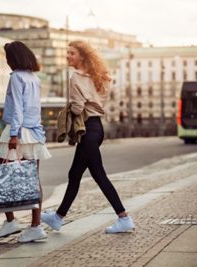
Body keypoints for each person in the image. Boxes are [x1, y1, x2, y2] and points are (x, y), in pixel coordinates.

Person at [41, 40, 135, 234]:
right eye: (67, 53)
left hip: (87, 129)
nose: (68, 56)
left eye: (72, 53)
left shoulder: (76, 77)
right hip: (96, 128)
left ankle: (124, 217)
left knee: (99, 175)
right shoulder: (100, 77)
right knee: (74, 174)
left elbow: (77, 107)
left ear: (82, 57)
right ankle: (58, 218)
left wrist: (67, 111)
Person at [0, 41, 52, 243]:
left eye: (9, 59)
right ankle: (35, 226)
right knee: (34, 179)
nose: (8, 63)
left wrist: (14, 135)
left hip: (18, 132)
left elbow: (18, 107)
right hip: (34, 133)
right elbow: (34, 108)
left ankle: (11, 221)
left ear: (15, 59)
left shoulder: (17, 77)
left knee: (1, 174)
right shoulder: (34, 78)